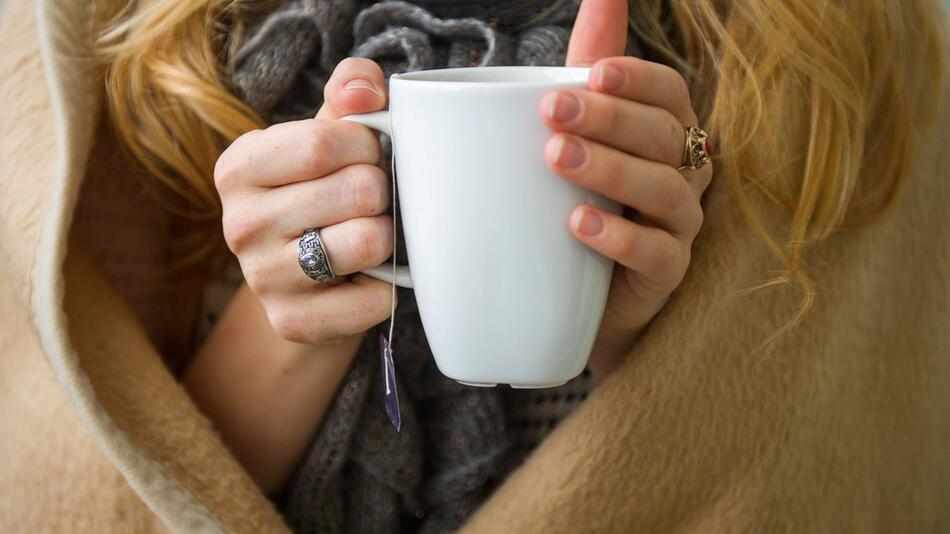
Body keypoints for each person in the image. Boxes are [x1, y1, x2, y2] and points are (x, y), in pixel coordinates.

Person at [1, 0, 947, 532]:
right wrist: (318, 283)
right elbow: (105, 498)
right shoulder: (99, 44)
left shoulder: (836, 50)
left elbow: (827, 472)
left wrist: (647, 330)